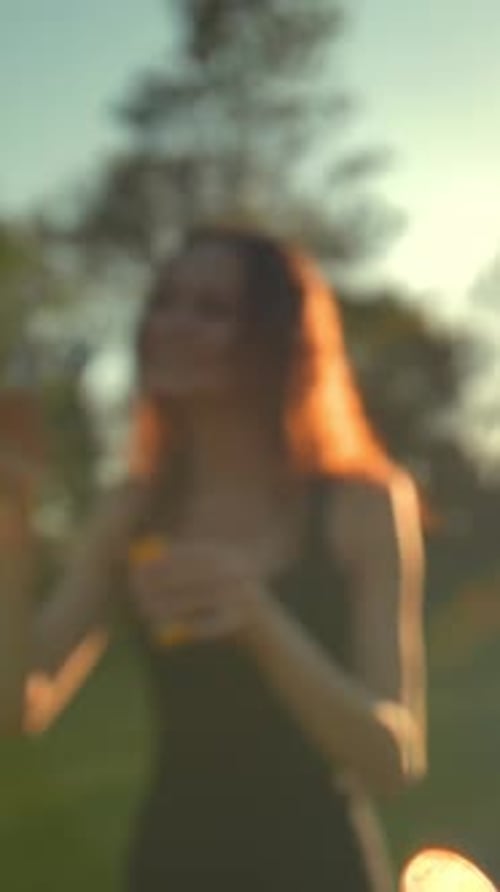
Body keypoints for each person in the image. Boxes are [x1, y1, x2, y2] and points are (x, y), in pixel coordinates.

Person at [0, 227, 427, 891]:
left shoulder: (361, 504)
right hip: (175, 863)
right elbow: (19, 709)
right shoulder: (131, 511)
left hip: (318, 866)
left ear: (274, 341)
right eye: (165, 302)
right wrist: (12, 528)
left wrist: (257, 618)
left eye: (211, 309)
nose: (171, 325)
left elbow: (393, 761)